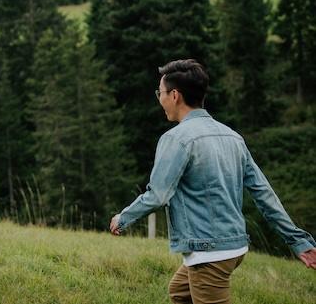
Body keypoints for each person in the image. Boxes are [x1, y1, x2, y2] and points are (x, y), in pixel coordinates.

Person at [110, 59, 316, 303]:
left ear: (174, 95)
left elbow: (158, 195)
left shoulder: (176, 139)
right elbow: (263, 193)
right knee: (179, 291)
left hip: (209, 252)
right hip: (234, 245)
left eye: (160, 93)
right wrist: (298, 241)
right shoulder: (233, 137)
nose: (160, 99)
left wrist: (123, 218)